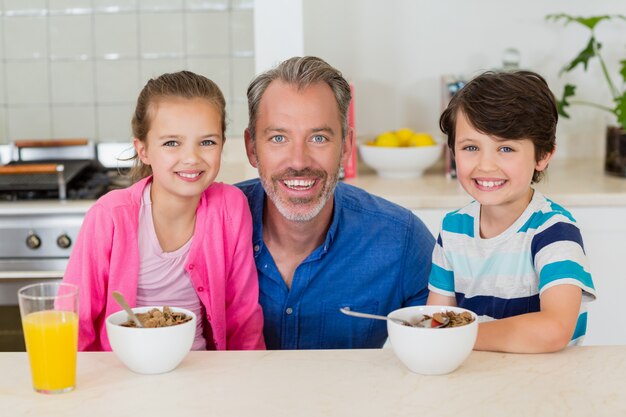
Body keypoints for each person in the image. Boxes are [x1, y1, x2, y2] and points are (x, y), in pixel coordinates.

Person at [236, 56, 434, 349]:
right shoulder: (206, 226)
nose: (299, 161)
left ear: (346, 147)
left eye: (318, 138)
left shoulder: (401, 240)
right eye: (278, 138)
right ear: (252, 149)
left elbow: (442, 346)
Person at [63, 71, 265, 351]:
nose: (191, 158)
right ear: (143, 149)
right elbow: (73, 320)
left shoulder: (230, 208)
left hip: (205, 375)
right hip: (121, 377)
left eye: (207, 142)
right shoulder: (110, 216)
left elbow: (243, 317)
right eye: (172, 143)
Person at [428, 70, 596, 353]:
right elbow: (437, 322)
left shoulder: (554, 231)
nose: (486, 165)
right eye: (471, 147)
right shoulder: (453, 228)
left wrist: (457, 337)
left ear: (542, 156)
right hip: (476, 379)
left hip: (546, 385)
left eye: (505, 148)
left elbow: (554, 330)